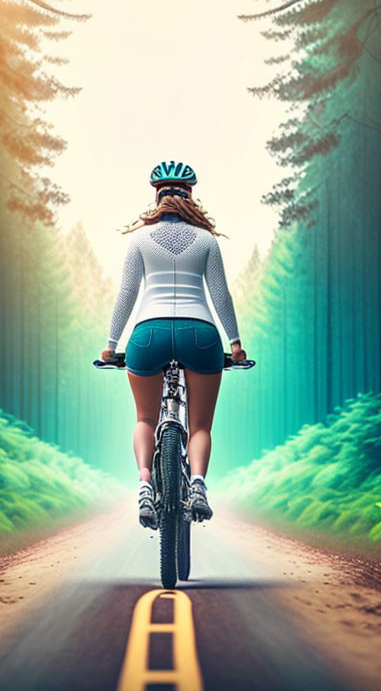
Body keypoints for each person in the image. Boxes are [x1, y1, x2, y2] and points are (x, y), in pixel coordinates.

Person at [101, 161, 246, 529]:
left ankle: (145, 484)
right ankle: (197, 484)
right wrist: (236, 343)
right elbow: (221, 296)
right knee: (199, 427)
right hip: (200, 335)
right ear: (190, 197)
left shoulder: (139, 240)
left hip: (148, 335)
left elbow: (127, 294)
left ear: (157, 196)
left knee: (146, 418)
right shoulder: (207, 240)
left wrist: (110, 344)